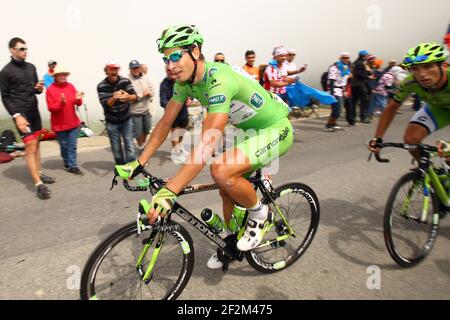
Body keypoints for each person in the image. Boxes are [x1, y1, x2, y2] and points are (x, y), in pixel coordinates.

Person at [115, 24, 294, 269]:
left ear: (196, 52)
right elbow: (166, 123)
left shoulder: (219, 80)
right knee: (225, 189)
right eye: (166, 58)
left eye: (176, 56)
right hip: (249, 132)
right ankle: (232, 243)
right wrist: (139, 161)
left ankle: (259, 212)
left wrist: (172, 189)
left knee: (221, 170)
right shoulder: (185, 84)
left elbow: (208, 141)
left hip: (275, 128)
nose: (170, 64)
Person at [368, 42, 449, 160]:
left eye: (428, 66)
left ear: (443, 66)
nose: (422, 74)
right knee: (411, 140)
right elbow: (391, 108)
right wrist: (378, 138)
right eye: (415, 69)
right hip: (438, 109)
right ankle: (425, 172)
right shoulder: (410, 82)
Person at [0, 37, 54, 199]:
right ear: (12, 50)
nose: (25, 51)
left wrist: (38, 88)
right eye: (22, 49)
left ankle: (39, 172)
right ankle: (38, 184)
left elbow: (34, 90)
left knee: (36, 144)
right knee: (30, 145)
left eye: (26, 48)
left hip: (34, 111)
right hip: (20, 113)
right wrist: (17, 116)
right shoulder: (6, 72)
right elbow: (5, 97)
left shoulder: (31, 67)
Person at [97, 59, 138, 165]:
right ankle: (121, 167)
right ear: (106, 71)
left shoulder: (125, 81)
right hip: (111, 121)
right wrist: (114, 97)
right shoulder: (101, 86)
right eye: (111, 69)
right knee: (116, 148)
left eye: (116, 69)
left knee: (129, 144)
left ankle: (132, 167)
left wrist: (128, 97)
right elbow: (106, 105)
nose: (114, 71)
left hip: (126, 119)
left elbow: (135, 97)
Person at [46, 65, 84, 175]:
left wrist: (78, 99)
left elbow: (78, 103)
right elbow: (51, 108)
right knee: (64, 145)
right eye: (61, 74)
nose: (64, 76)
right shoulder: (50, 90)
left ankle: (72, 165)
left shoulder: (71, 86)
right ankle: (67, 162)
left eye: (65, 74)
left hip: (73, 123)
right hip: (59, 125)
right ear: (56, 76)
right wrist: (61, 103)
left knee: (72, 145)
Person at [159, 64, 191, 164]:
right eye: (168, 70)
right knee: (175, 133)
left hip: (184, 112)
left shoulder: (182, 80)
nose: (171, 71)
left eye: (172, 69)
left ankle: (179, 149)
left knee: (181, 132)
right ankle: (176, 153)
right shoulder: (164, 84)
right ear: (166, 71)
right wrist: (173, 104)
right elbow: (162, 101)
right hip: (172, 113)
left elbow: (191, 93)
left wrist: (189, 99)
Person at [128, 60, 155, 151]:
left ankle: (142, 145)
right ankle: (142, 148)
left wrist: (150, 93)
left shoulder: (145, 78)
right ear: (130, 70)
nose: (135, 70)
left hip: (146, 110)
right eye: (133, 68)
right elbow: (129, 97)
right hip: (135, 112)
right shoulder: (127, 80)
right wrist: (142, 94)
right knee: (138, 133)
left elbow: (152, 90)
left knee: (147, 130)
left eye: (136, 67)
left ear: (139, 68)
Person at [324, 52, 352, 131]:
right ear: (340, 58)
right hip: (334, 90)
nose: (346, 59)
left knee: (337, 109)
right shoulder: (334, 68)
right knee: (337, 109)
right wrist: (332, 94)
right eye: (344, 58)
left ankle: (333, 123)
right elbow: (332, 81)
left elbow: (346, 80)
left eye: (347, 58)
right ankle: (328, 125)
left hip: (341, 90)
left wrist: (346, 90)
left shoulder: (346, 68)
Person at [350, 50, 376, 123]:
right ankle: (363, 118)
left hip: (353, 85)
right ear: (364, 56)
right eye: (367, 55)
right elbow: (359, 74)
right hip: (360, 84)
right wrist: (368, 77)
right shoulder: (360, 63)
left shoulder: (355, 63)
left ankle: (353, 117)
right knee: (364, 101)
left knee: (354, 101)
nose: (367, 57)